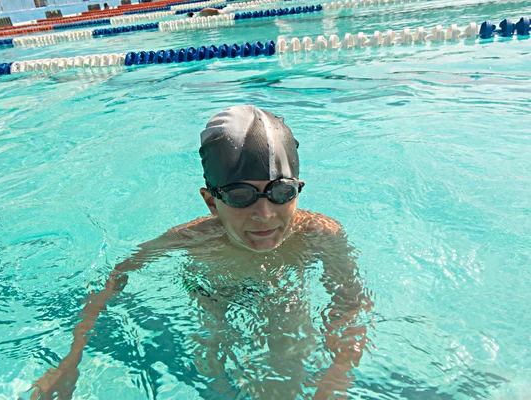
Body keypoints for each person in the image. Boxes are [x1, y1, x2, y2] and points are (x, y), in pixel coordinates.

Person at [30, 105, 372, 399]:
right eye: (240, 196)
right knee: (211, 366)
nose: (265, 214)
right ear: (211, 202)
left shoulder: (319, 234)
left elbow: (351, 302)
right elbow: (117, 275)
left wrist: (339, 372)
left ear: (298, 191)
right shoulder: (194, 240)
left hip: (281, 289)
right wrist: (70, 361)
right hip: (215, 296)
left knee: (288, 364)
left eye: (280, 192)